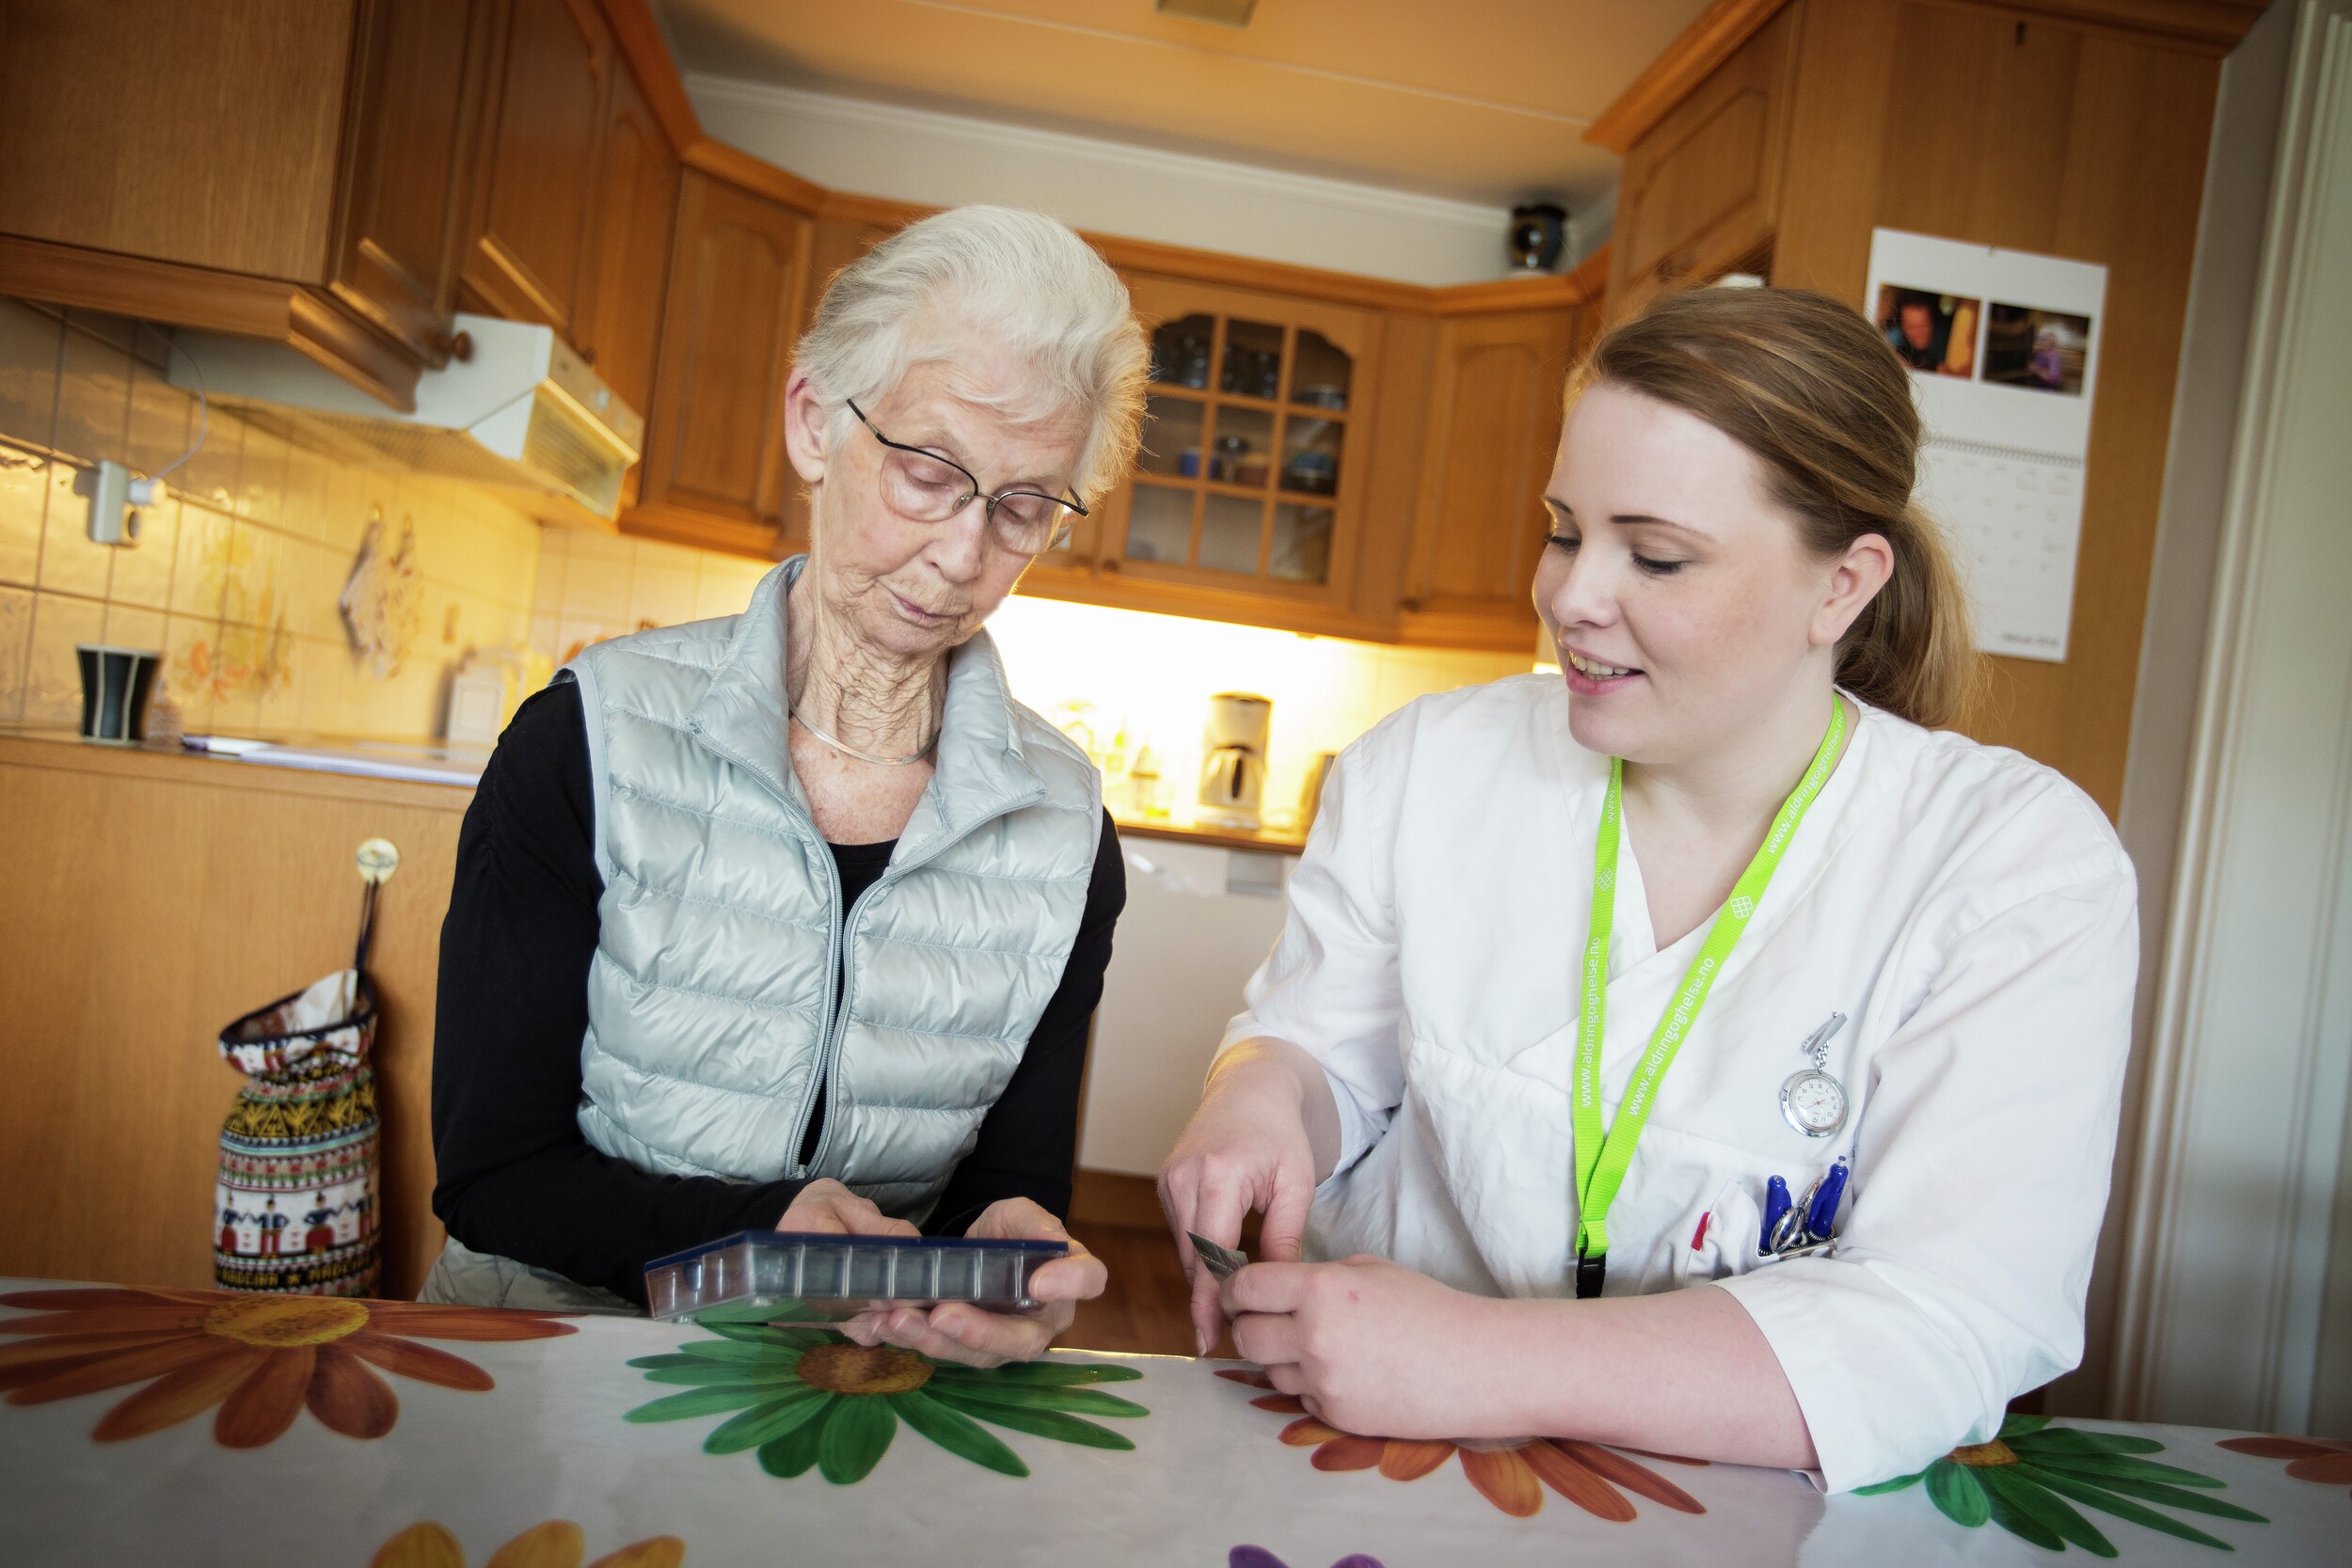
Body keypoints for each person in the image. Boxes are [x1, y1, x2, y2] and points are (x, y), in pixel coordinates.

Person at [1160, 286, 2136, 1492]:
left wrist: (1484, 1356)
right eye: (1565, 530)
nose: (1569, 595)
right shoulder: (1424, 765)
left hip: (1751, 1514)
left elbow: (1949, 1316)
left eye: (1656, 554)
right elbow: (1319, 1044)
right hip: (1368, 1465)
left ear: (1842, 584)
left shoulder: (2016, 863)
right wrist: (1259, 1090)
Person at [428, 206, 1148, 1369]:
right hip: (544, 1353)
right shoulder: (591, 739)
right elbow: (492, 1174)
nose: (964, 556)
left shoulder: (1064, 834)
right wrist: (760, 1232)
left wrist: (1014, 1248)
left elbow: (1006, 1183)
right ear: (815, 422)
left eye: (1021, 507)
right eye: (928, 472)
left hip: (848, 1374)